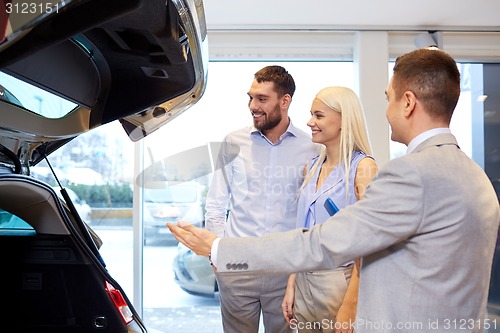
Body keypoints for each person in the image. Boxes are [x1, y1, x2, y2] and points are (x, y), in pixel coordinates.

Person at [168, 48, 500, 333]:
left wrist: (221, 249)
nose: (386, 111)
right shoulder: (474, 176)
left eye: (389, 99)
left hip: (329, 289)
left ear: (408, 103)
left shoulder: (409, 173)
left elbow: (325, 241)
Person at [204, 65, 318, 333]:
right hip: (237, 268)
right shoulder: (233, 142)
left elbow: (311, 214)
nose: (252, 105)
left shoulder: (312, 148)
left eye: (262, 99)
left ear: (285, 101)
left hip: (285, 273)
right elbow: (216, 204)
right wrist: (217, 257)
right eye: (251, 97)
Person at [281, 86, 377, 332]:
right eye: (311, 114)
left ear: (344, 119)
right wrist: (292, 283)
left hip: (339, 282)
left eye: (319, 115)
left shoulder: (363, 168)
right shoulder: (311, 168)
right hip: (304, 279)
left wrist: (351, 305)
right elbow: (301, 232)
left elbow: (368, 245)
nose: (310, 122)